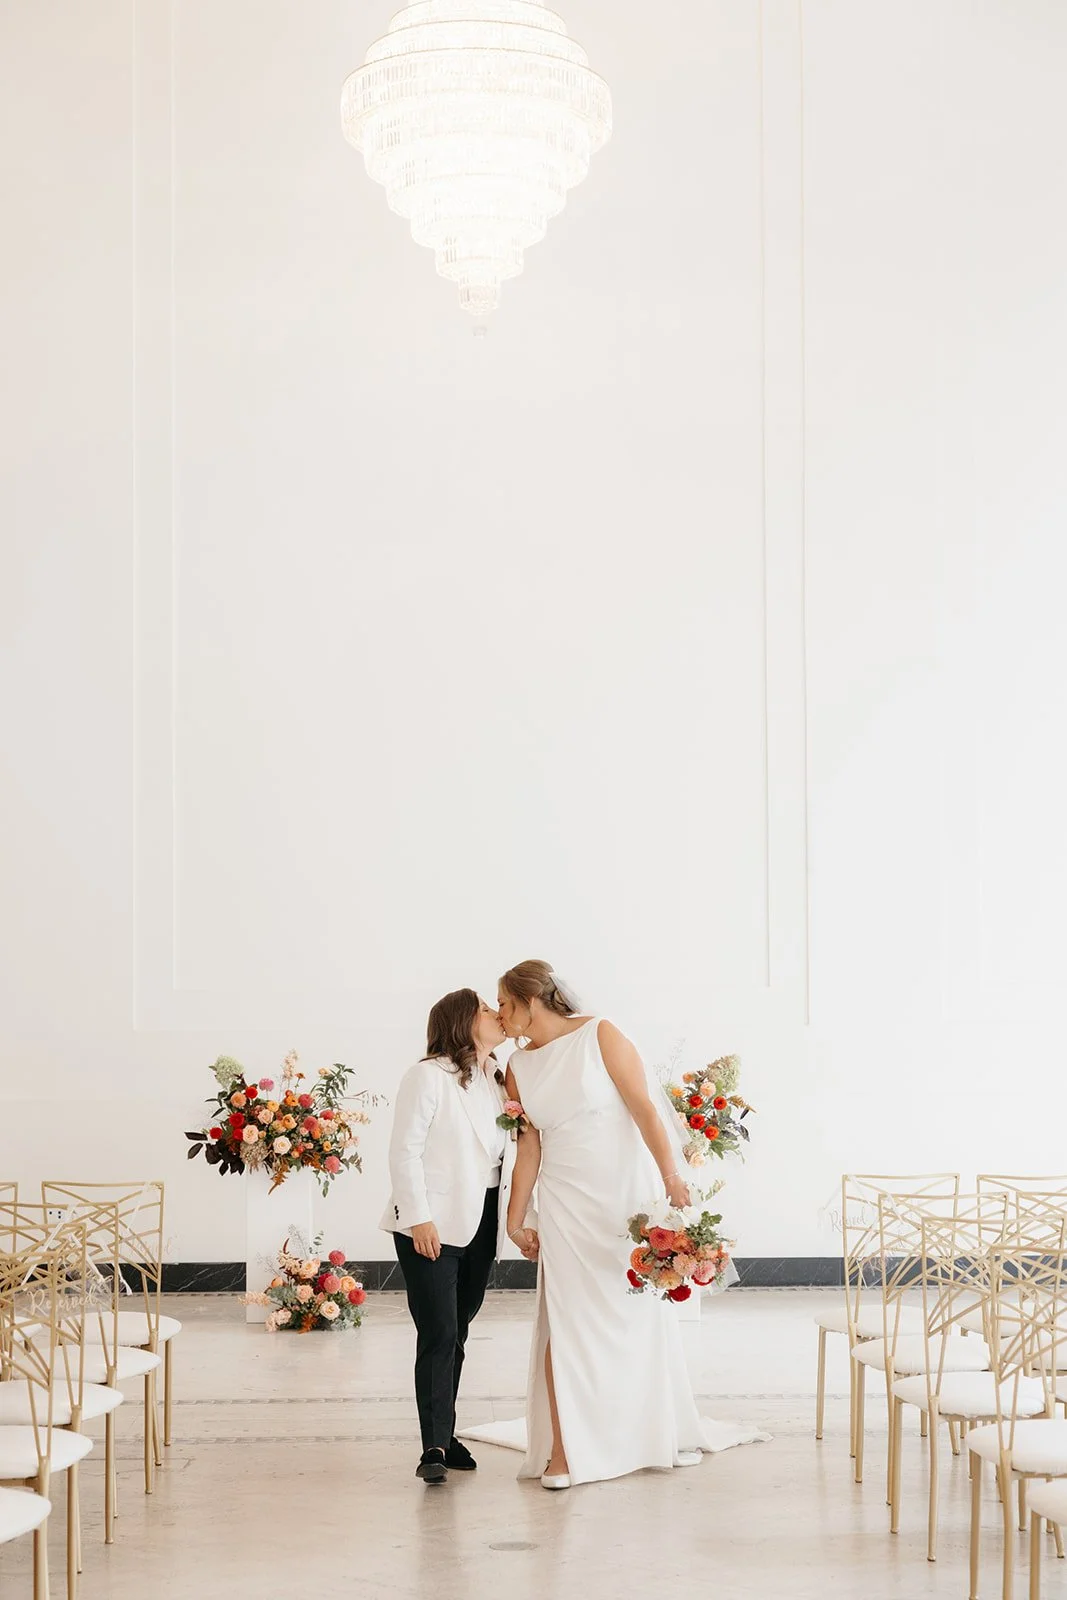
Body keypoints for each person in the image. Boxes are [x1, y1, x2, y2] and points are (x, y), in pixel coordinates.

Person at [500, 960, 707, 1488]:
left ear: (531, 1001)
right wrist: (515, 1216)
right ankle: (564, 1452)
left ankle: (643, 1431)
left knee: (628, 1314)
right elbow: (528, 1146)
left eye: (504, 1004)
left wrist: (671, 1177)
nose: (499, 1015)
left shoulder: (601, 1034)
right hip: (565, 1202)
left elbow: (643, 1111)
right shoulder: (517, 1067)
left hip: (621, 1200)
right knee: (564, 1319)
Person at [381, 988, 514, 1485]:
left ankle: (447, 1430)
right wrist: (418, 1217)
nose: (497, 1014)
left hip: (481, 1224)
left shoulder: (497, 1080)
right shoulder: (426, 1076)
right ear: (462, 1020)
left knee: (457, 1332)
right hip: (430, 1225)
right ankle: (433, 1447)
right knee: (438, 1333)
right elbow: (404, 1152)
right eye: (485, 1008)